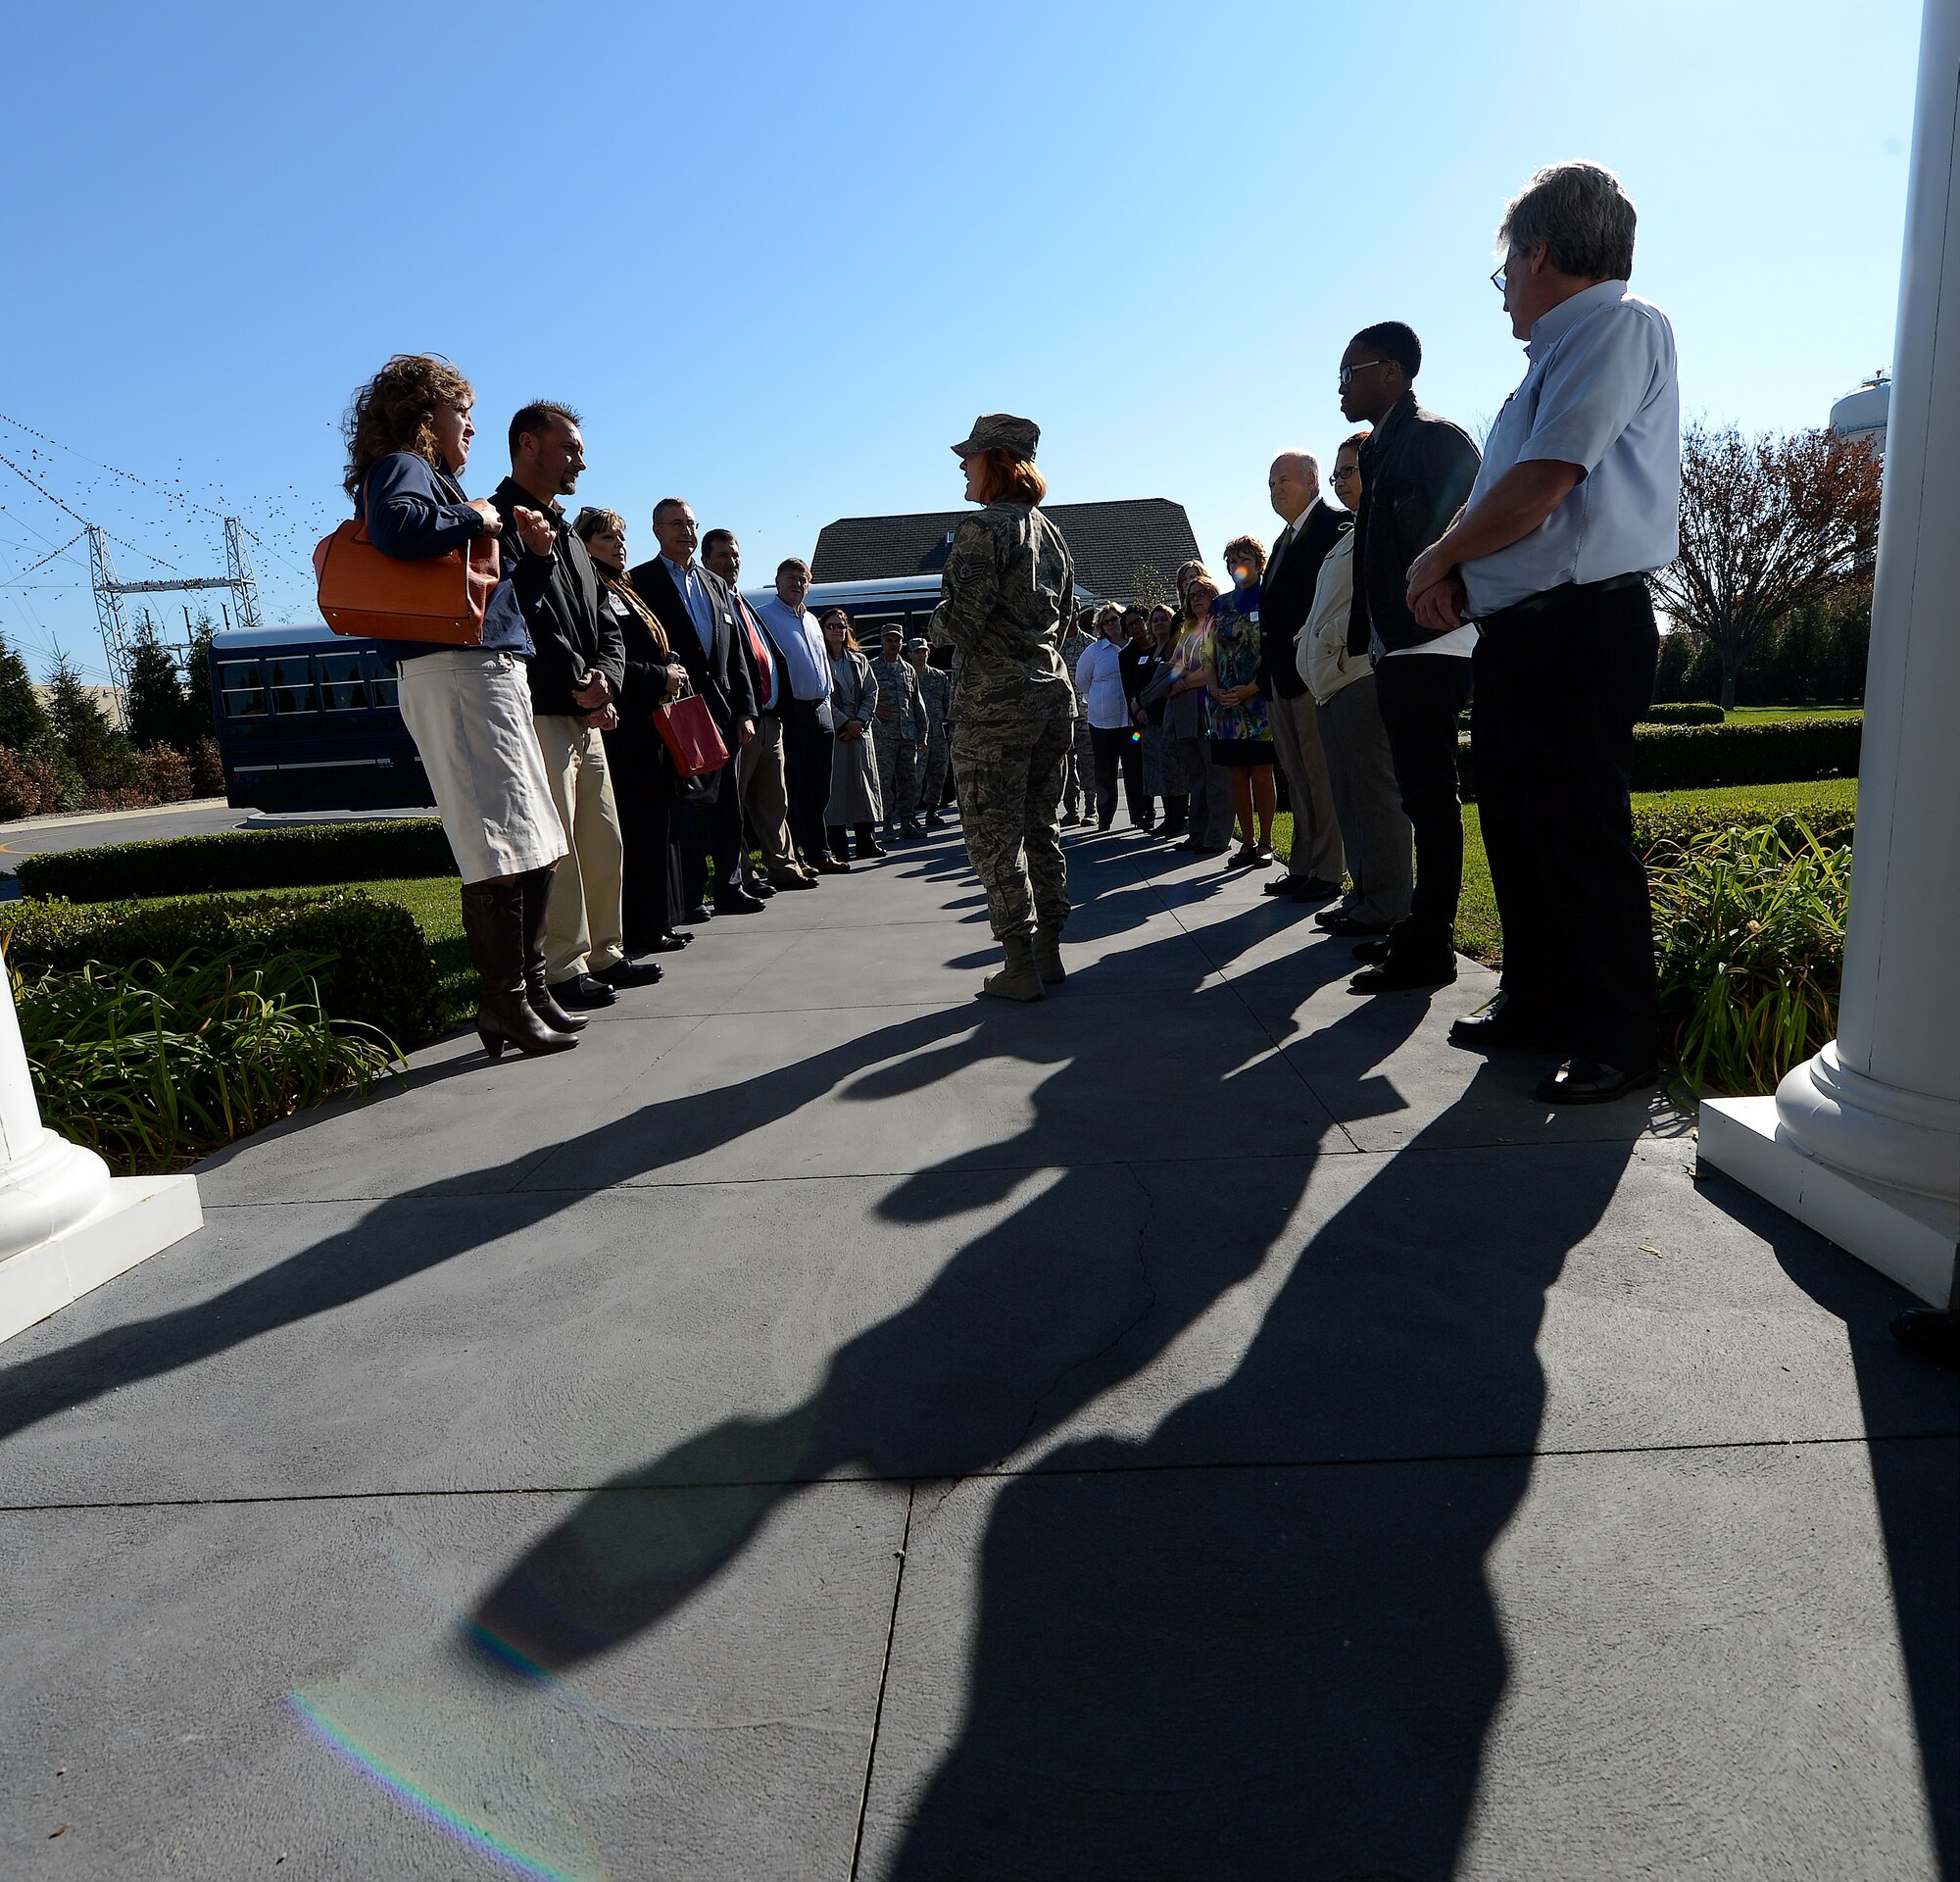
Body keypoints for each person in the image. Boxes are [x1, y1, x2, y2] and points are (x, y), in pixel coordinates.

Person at [1405, 162, 1680, 1104]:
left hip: (1582, 624)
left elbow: (1544, 484)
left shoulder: (1616, 325)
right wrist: (1467, 578)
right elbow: (1515, 500)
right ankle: (1540, 997)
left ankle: (1618, 1036)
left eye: (1505, 271)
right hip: (1528, 628)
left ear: (1541, 254)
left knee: (1577, 829)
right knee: (1518, 824)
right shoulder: (1555, 355)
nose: (1505, 294)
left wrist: (1437, 562)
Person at [343, 355, 576, 1059]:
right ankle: (504, 1001)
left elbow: (501, 611)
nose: (471, 424)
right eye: (460, 409)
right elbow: (395, 528)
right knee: (496, 846)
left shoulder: (439, 482)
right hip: (453, 678)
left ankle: (528, 990)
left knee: (534, 842)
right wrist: (474, 515)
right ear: (424, 416)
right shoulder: (402, 468)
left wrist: (528, 559)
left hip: (486, 670)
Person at [498, 403, 663, 1011]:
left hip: (591, 711)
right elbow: (525, 617)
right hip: (544, 710)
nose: (581, 460)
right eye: (569, 447)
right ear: (527, 446)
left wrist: (609, 683)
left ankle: (607, 954)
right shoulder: (501, 522)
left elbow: (605, 623)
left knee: (603, 839)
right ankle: (564, 967)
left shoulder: (567, 532)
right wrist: (581, 683)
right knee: (561, 843)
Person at [1339, 321, 1482, 993]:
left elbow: (1472, 523)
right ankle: (1422, 928)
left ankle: (1432, 944)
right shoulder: (1380, 450)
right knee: (1420, 795)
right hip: (1399, 644)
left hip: (1434, 642)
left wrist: (1438, 599)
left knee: (1430, 794)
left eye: (1352, 370)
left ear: (1392, 371)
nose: (1341, 386)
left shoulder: (1432, 438)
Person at [941, 413, 1076, 999]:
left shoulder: (983, 531)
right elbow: (1065, 620)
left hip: (994, 706)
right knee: (1040, 827)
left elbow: (961, 622)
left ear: (996, 461)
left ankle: (1018, 963)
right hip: (1051, 695)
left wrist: (938, 618)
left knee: (993, 834)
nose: (962, 468)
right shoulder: (1053, 535)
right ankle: (1048, 950)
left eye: (969, 458)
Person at [1298, 433, 1413, 938]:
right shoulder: (1350, 533)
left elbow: (1380, 596)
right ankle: (1363, 893)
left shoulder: (1386, 524)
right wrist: (1309, 641)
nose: (1340, 481)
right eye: (1337, 474)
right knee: (1349, 796)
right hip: (1331, 682)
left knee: (1374, 794)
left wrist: (1324, 640)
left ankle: (1389, 901)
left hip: (1360, 675)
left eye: (1350, 470)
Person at [628, 499, 763, 919]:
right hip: (677, 711)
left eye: (691, 524)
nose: (685, 531)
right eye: (676, 524)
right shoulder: (639, 582)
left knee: (727, 808)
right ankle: (688, 896)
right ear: (656, 531)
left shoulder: (717, 585)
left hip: (723, 714)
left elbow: (737, 653)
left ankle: (729, 886)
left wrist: (745, 710)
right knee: (682, 809)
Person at [572, 508, 696, 958]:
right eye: (607, 538)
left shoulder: (624, 587)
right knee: (637, 833)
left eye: (622, 538)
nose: (620, 545)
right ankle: (638, 931)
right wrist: (658, 675)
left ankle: (658, 922)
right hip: (625, 731)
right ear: (584, 546)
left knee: (659, 828)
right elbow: (608, 660)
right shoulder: (591, 589)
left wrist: (671, 666)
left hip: (654, 725)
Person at [703, 527, 814, 895]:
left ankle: (783, 866)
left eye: (735, 555)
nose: (731, 562)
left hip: (770, 718)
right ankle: (744, 874)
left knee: (774, 800)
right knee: (734, 802)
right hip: (740, 720)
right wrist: (741, 712)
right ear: (706, 561)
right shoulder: (710, 600)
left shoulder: (742, 600)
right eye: (722, 556)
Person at [1257, 450, 1347, 904]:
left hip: (1314, 676)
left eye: (1283, 481)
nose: (1275, 491)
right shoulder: (1281, 541)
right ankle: (1303, 865)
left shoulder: (1335, 527)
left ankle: (1329, 871)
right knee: (1296, 776)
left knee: (1320, 775)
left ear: (1313, 481)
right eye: (1271, 484)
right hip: (1279, 680)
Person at [756, 559, 849, 873]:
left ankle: (820, 851)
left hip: (820, 710)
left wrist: (827, 699)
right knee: (792, 788)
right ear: (777, 581)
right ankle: (794, 856)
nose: (797, 583)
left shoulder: (811, 619)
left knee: (820, 788)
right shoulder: (764, 617)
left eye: (803, 579)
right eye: (791, 578)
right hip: (791, 712)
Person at [1203, 535, 1277, 866]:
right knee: (1236, 774)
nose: (1237, 566)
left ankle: (1265, 841)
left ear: (1260, 563)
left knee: (1261, 772)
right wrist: (1214, 689)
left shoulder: (1270, 597)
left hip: (1260, 701)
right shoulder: (1220, 606)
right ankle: (1245, 842)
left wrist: (1253, 687)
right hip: (1225, 707)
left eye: (1244, 559)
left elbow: (1277, 650)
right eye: (1232, 561)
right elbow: (1208, 653)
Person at [1165, 573, 1234, 855]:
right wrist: (1175, 680)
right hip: (1186, 711)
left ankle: (1217, 837)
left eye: (1200, 594)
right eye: (1191, 595)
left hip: (1211, 708)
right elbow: (1174, 666)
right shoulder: (1188, 628)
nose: (1195, 599)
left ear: (1212, 595)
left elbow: (1212, 669)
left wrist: (1183, 682)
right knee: (1197, 776)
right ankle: (1197, 834)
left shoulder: (1218, 624)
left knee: (1217, 776)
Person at [1072, 603, 1146, 832]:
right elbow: (1082, 681)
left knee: (1135, 769)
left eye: (1115, 619)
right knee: (1105, 772)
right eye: (1106, 622)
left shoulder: (1135, 647)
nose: (1112, 624)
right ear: (1101, 627)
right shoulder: (1094, 652)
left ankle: (1140, 815)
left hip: (1131, 724)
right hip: (1102, 723)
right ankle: (1104, 819)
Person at [821, 609, 883, 859]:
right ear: (822, 631)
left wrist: (860, 721)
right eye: (831, 626)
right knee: (836, 792)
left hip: (859, 733)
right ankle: (837, 846)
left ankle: (867, 842)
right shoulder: (818, 660)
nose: (837, 630)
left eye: (841, 626)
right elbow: (821, 694)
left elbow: (872, 692)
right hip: (836, 732)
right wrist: (844, 722)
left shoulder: (859, 660)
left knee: (863, 789)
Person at [867, 624, 926, 840]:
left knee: (909, 781)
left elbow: (917, 702)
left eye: (897, 640)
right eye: (889, 640)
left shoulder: (908, 670)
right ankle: (886, 824)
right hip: (883, 736)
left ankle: (907, 821)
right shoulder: (872, 667)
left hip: (907, 734)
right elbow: (862, 698)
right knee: (884, 782)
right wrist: (873, 711)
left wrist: (923, 732)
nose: (893, 644)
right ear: (882, 642)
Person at [1139, 602, 1184, 835]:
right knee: (1159, 773)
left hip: (1170, 717)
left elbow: (1169, 683)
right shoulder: (1146, 654)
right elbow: (1140, 685)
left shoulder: (1174, 652)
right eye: (1154, 620)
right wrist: (1138, 707)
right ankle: (1168, 817)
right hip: (1150, 722)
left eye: (1163, 619)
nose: (1158, 624)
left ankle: (1179, 818)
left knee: (1175, 771)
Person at [1118, 605, 1161, 832]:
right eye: (1130, 625)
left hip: (1164, 712)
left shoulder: (1161, 645)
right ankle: (1147, 811)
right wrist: (1137, 709)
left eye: (1137, 622)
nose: (1135, 627)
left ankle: (1176, 812)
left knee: (1169, 763)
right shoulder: (1126, 655)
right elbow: (1128, 688)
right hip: (1140, 719)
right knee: (1143, 765)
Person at [1057, 604, 1097, 825]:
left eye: (1071, 612)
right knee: (1066, 767)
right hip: (1062, 717)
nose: (1068, 616)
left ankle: (1091, 809)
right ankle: (1070, 809)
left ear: (1077, 614)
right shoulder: (1054, 646)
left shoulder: (1090, 646)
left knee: (1088, 764)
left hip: (1086, 715)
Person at [908, 636, 954, 829]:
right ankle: (910, 814)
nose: (921, 655)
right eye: (917, 652)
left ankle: (931, 811)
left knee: (938, 773)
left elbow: (950, 704)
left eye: (924, 651)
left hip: (939, 735)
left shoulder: (939, 677)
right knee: (915, 775)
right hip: (917, 735)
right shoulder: (907, 677)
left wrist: (952, 726)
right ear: (910, 654)